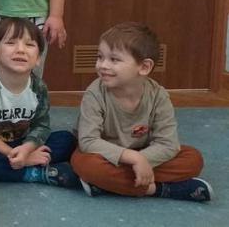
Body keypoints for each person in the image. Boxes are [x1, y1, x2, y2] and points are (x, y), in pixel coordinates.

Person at [71, 22, 212, 201]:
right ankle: (161, 189)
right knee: (85, 164)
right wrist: (134, 159)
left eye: (114, 60)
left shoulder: (158, 96)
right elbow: (88, 141)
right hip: (105, 155)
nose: (102, 65)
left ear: (144, 67)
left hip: (143, 152)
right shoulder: (95, 93)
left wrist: (141, 159)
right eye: (100, 57)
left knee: (193, 159)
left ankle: (108, 185)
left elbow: (168, 144)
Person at [0, 18, 79, 189]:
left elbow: (41, 126)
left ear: (38, 58)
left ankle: (8, 168)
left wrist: (26, 150)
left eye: (29, 45)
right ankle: (34, 173)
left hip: (23, 142)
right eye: (11, 43)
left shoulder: (39, 87)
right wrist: (18, 156)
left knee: (66, 140)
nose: (21, 50)